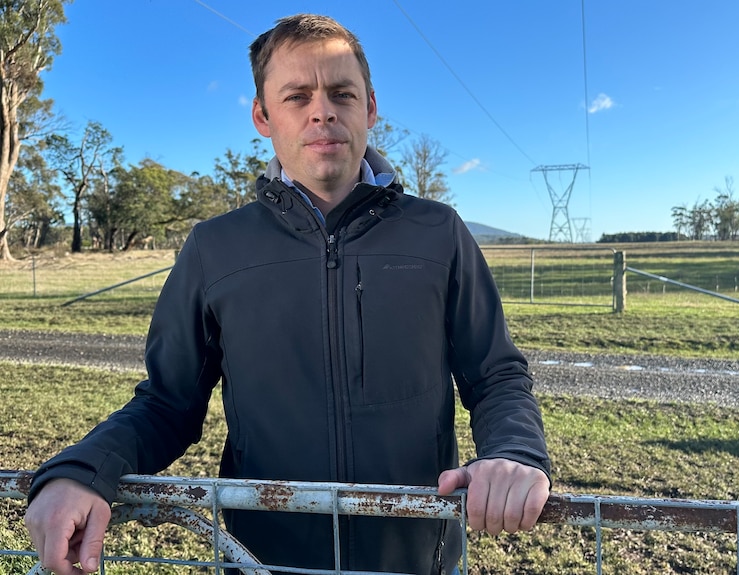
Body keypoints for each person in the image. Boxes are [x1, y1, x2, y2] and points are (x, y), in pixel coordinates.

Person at [25, 13, 551, 575]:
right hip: (263, 563)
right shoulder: (214, 248)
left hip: (420, 560)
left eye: (341, 93)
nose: (322, 110)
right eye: (297, 96)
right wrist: (84, 470)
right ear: (263, 115)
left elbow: (496, 376)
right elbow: (167, 403)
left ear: (370, 108)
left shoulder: (439, 231)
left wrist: (514, 454)